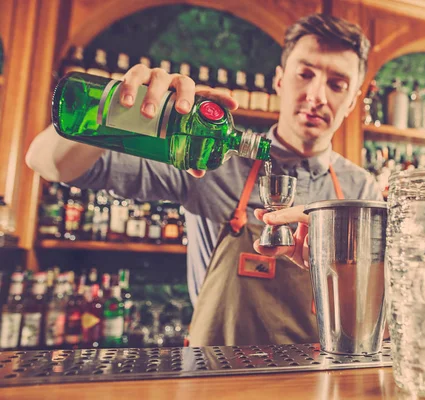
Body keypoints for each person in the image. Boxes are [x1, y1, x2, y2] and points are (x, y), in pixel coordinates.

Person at [26, 13, 381, 346]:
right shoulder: (207, 159)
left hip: (314, 379)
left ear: (352, 102)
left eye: (337, 84)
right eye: (305, 74)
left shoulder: (360, 190)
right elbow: (50, 164)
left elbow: (367, 316)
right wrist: (118, 107)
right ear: (279, 80)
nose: (317, 96)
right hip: (212, 377)